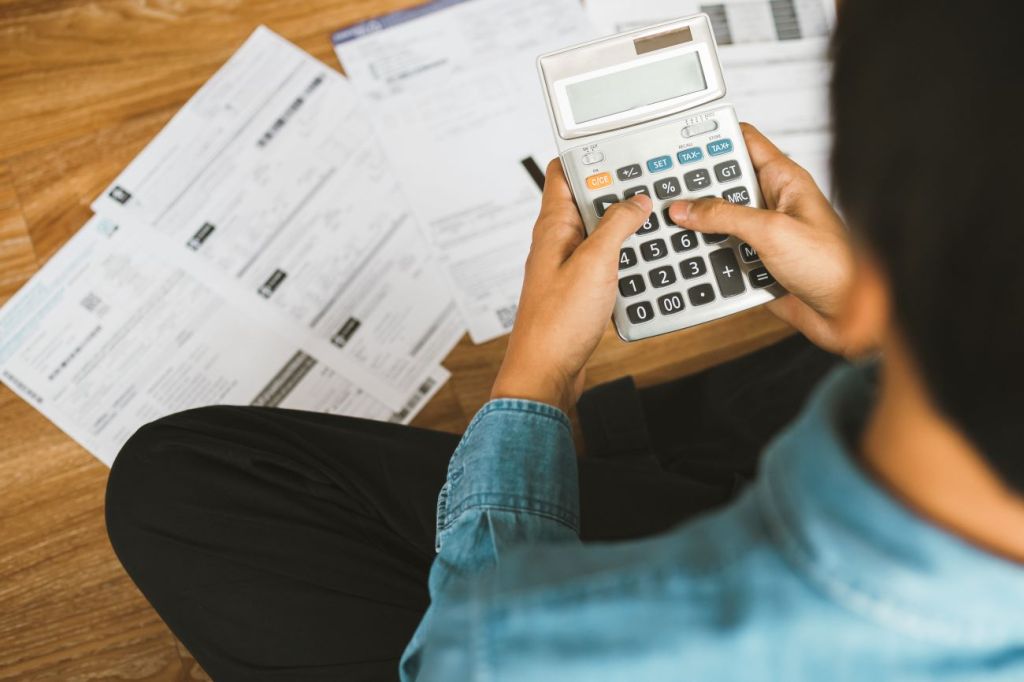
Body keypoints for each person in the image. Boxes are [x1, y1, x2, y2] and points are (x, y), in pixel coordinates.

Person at [105, 0, 1024, 679]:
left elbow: (472, 639)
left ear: (874, 283)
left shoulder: (529, 649)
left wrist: (535, 380)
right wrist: (879, 322)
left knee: (175, 479)